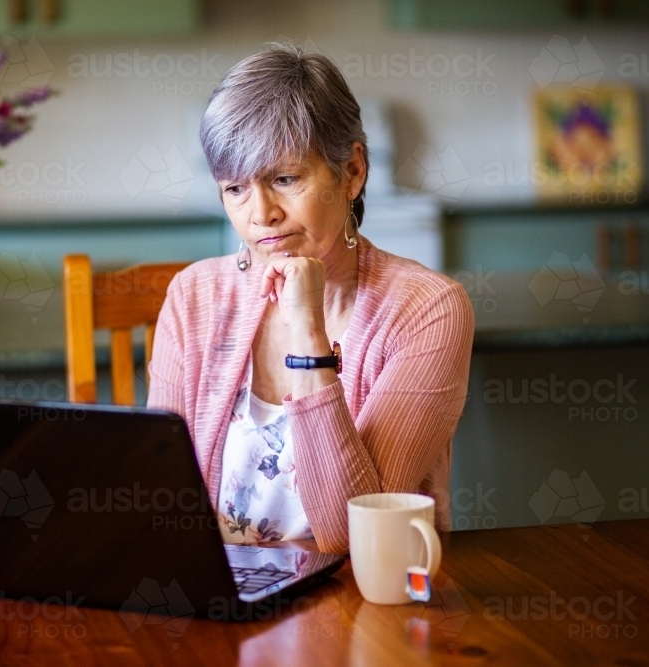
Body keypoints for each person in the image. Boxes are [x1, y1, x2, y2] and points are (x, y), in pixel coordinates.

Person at [147, 45, 474, 553]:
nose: (261, 213)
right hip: (219, 597)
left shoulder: (429, 310)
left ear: (352, 172)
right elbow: (162, 502)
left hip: (361, 602)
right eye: (235, 188)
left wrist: (307, 333)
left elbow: (356, 537)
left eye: (284, 179)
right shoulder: (194, 296)